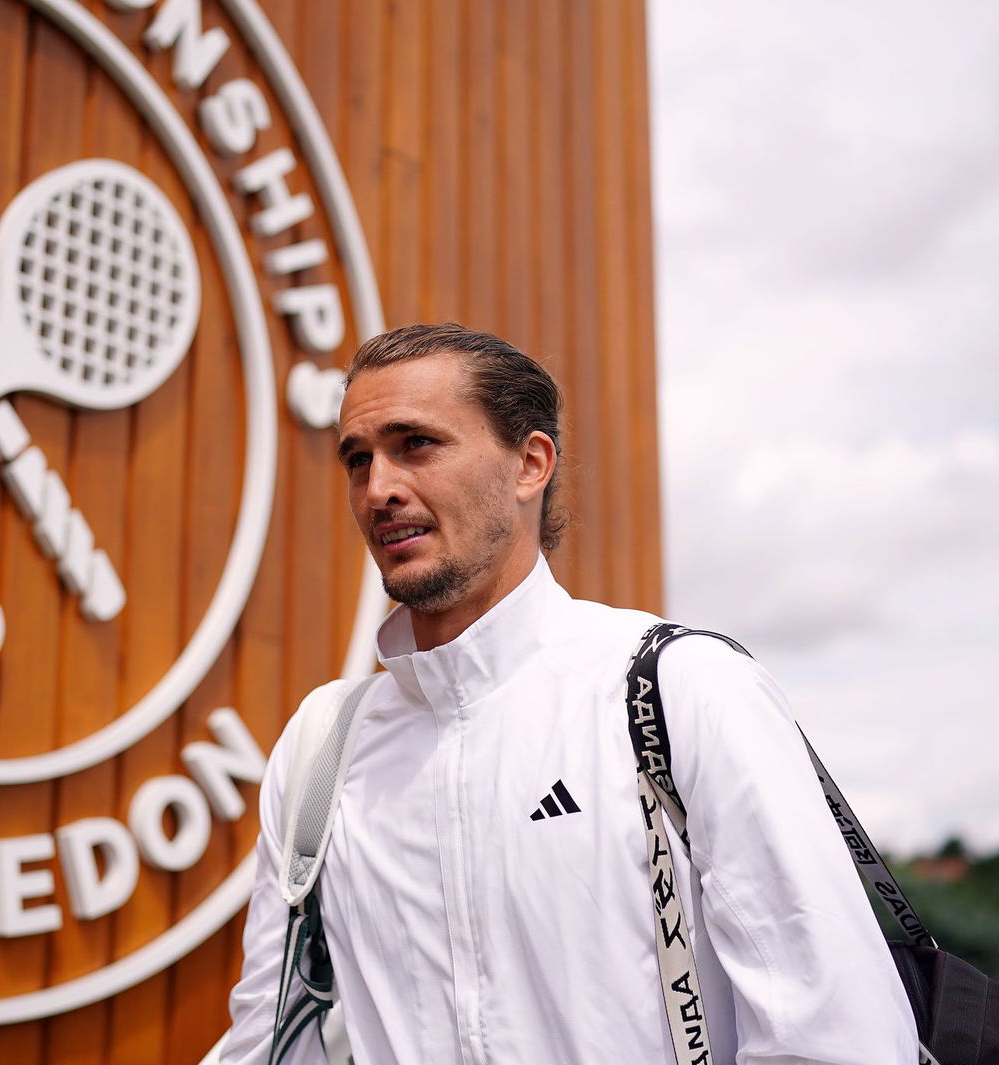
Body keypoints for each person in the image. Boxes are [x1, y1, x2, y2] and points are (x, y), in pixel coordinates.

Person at [219, 324, 916, 1063]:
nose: (378, 488)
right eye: (358, 459)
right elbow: (268, 1038)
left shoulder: (678, 690)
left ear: (530, 463)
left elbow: (838, 1037)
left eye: (415, 444)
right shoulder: (324, 745)